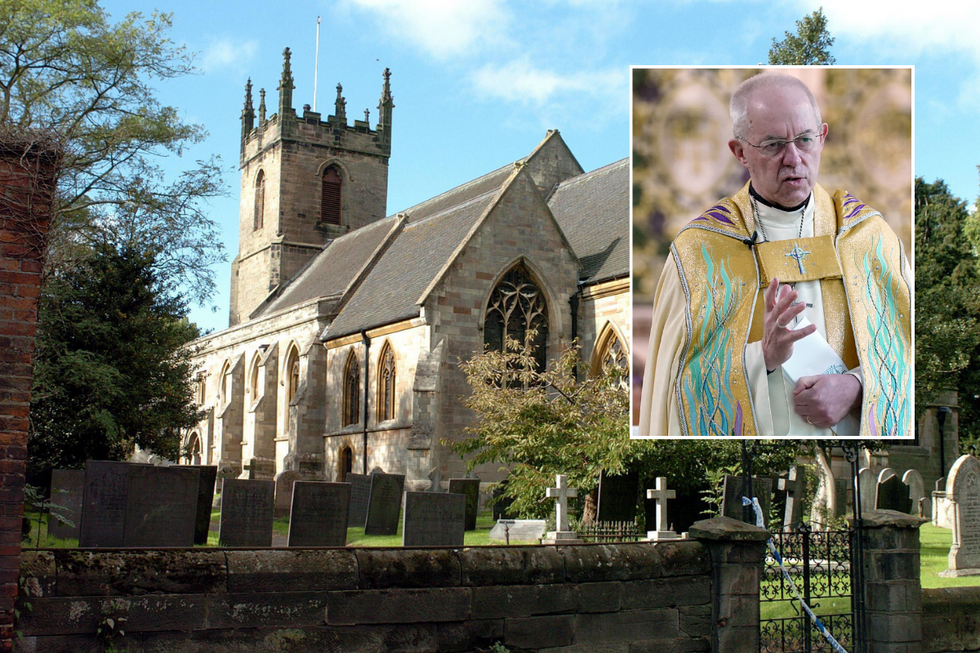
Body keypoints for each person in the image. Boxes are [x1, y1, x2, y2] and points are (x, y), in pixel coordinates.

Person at [638, 72, 911, 438]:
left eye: (805, 139)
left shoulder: (870, 239)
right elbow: (673, 388)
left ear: (823, 137)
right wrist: (761, 358)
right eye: (772, 145)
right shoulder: (698, 254)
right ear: (740, 153)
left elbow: (907, 350)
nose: (793, 158)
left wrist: (859, 387)